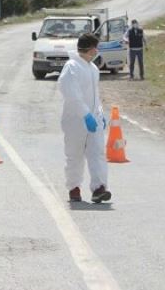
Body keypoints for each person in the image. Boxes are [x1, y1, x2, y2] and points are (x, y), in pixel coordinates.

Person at [58, 33, 111, 203]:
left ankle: (99, 188)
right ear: (89, 48)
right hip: (75, 121)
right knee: (75, 155)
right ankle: (74, 188)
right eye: (95, 47)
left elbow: (95, 96)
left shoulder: (93, 68)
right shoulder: (72, 67)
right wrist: (85, 114)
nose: (97, 50)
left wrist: (99, 113)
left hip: (93, 120)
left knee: (97, 153)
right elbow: (71, 94)